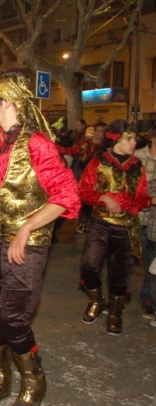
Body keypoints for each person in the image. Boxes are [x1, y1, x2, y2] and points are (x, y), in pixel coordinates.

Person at [0, 72, 80, 406]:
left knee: (12, 317)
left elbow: (67, 196)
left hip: (27, 243)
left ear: (7, 103)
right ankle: (0, 375)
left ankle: (34, 380)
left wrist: (27, 228)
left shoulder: (37, 143)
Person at [78, 119, 151, 335]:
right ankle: (96, 300)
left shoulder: (137, 166)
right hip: (100, 224)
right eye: (129, 138)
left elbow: (141, 198)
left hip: (126, 227)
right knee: (89, 267)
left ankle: (115, 313)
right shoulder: (98, 162)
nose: (134, 142)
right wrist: (103, 197)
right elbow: (83, 190)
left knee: (119, 274)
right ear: (116, 139)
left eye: (134, 139)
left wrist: (147, 201)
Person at [134, 126, 156, 319]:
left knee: (151, 264)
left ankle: (147, 298)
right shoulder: (138, 157)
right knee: (129, 258)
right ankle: (119, 295)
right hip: (137, 217)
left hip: (154, 223)